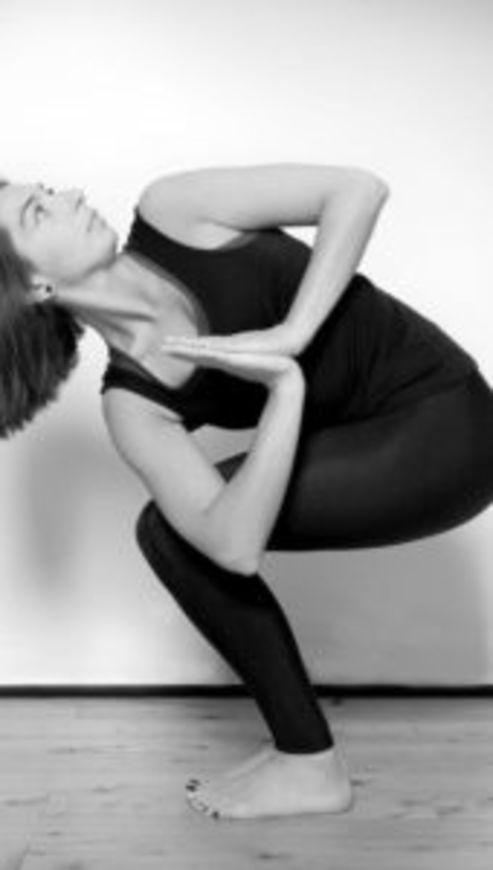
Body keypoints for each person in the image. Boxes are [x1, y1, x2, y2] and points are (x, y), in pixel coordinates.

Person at [0, 165, 492, 822]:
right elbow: (232, 548)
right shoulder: (134, 404)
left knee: (176, 527)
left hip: (449, 424)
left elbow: (357, 190)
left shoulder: (176, 213)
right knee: (172, 530)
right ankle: (307, 762)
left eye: (48, 190)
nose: (70, 196)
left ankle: (305, 764)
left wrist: (293, 333)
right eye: (38, 212)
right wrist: (284, 390)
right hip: (369, 441)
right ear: (35, 286)